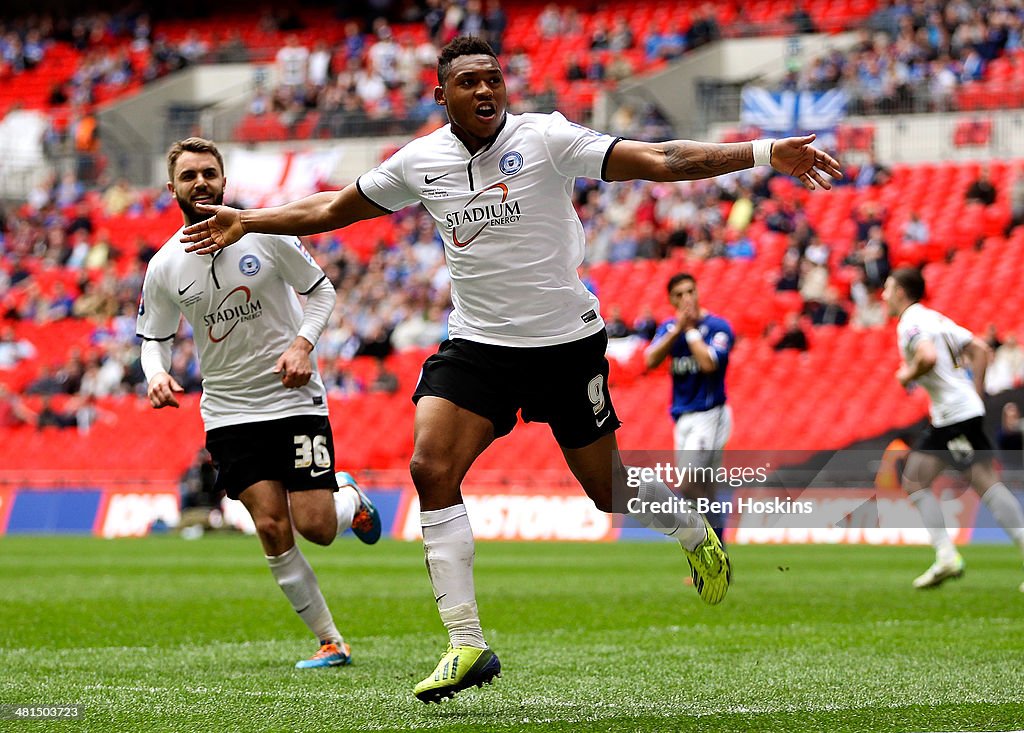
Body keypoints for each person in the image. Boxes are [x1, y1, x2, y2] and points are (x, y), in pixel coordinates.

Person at [178, 37, 842, 703]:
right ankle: (466, 643)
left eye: (493, 78)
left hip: (564, 344)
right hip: (479, 348)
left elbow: (661, 159)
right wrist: (250, 220)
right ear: (442, 96)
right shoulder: (420, 161)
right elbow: (328, 209)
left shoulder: (547, 138)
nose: (485, 90)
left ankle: (695, 532)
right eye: (468, 82)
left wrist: (764, 152)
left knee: (607, 489)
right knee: (429, 467)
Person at [137, 137, 383, 669]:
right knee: (272, 527)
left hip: (294, 399)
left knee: (316, 527)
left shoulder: (267, 234)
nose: (200, 183)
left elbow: (320, 291)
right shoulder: (165, 266)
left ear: (224, 180)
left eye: (209, 173)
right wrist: (156, 373)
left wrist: (302, 344)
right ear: (172, 188)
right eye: (189, 176)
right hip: (227, 412)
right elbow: (153, 336)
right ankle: (330, 640)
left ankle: (353, 503)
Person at [882, 267, 1024, 590]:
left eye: (887, 289)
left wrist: (907, 374)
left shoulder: (910, 323)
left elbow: (928, 356)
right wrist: (978, 394)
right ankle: (945, 555)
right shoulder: (935, 318)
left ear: (901, 292)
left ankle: (946, 555)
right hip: (955, 414)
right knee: (917, 479)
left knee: (983, 485)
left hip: (954, 416)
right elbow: (979, 349)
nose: (883, 295)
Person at [644, 273, 734, 543]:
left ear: (697, 292)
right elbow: (650, 360)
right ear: (671, 300)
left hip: (711, 415)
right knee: (703, 491)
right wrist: (677, 330)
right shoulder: (669, 328)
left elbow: (708, 364)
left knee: (688, 483)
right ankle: (716, 552)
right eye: (679, 295)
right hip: (682, 418)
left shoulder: (717, 327)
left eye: (690, 292)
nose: (686, 299)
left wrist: (691, 329)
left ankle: (709, 541)